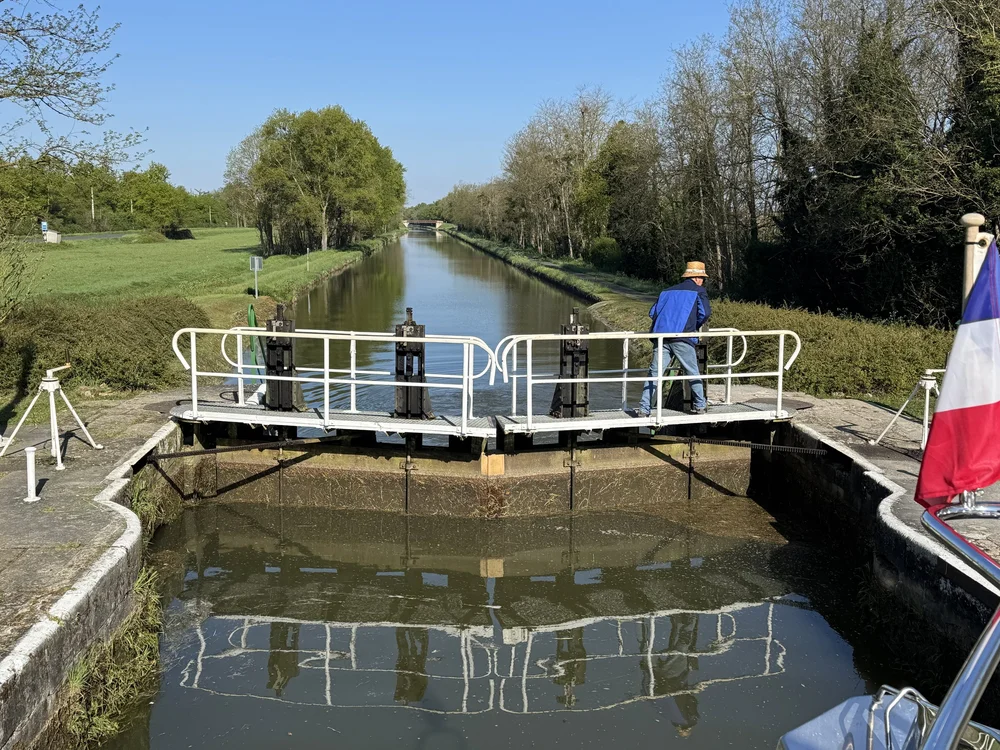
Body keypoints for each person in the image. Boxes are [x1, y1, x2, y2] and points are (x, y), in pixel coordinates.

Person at [635, 261, 711, 416]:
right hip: (682, 337)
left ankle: (644, 408)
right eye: (703, 278)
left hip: (661, 337)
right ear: (697, 278)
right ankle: (700, 405)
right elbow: (705, 313)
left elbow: (652, 313)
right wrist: (693, 325)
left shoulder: (666, 291)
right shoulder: (699, 291)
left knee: (654, 373)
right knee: (692, 371)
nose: (703, 281)